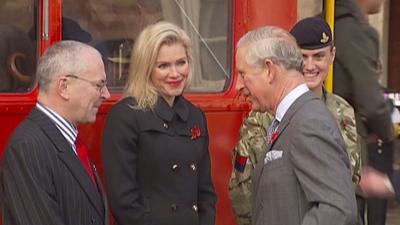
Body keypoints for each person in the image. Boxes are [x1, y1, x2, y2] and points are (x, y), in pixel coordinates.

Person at [228, 17, 361, 225]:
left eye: (244, 75)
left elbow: (337, 209)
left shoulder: (309, 123)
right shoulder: (290, 118)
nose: (238, 86)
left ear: (269, 70)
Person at [102, 21, 217, 225]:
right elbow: (123, 200)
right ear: (146, 69)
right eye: (163, 65)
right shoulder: (126, 116)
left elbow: (205, 192)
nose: (175, 73)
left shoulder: (195, 116)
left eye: (181, 62)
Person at [0, 40, 111, 225]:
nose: (106, 94)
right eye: (99, 85)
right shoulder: (28, 147)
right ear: (64, 87)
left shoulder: (66, 139)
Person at [334, 1, 394, 224]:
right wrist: (388, 133)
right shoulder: (358, 32)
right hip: (351, 142)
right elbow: (372, 103)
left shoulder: (327, 22)